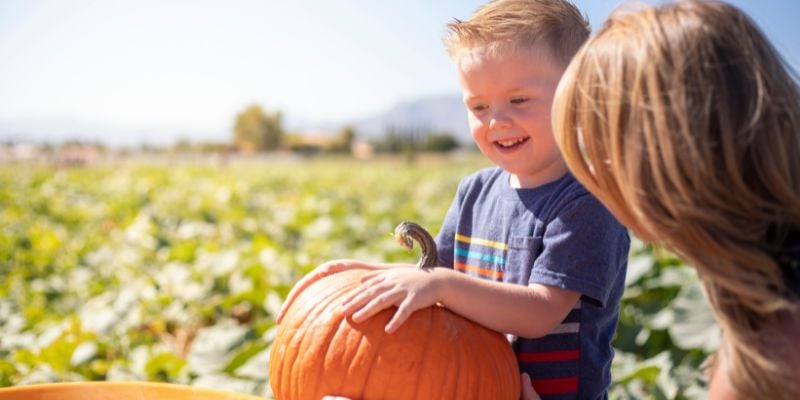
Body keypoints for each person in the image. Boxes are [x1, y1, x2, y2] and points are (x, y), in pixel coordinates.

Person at [278, 1, 630, 399]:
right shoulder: (475, 192)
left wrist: (442, 284)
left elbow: (541, 310)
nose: (496, 120)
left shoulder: (587, 201)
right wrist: (360, 272)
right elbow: (435, 274)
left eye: (518, 100)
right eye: (479, 106)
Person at [551, 1, 800, 398]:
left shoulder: (774, 352)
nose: (593, 177)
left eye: (599, 153)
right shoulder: (758, 289)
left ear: (664, 158)